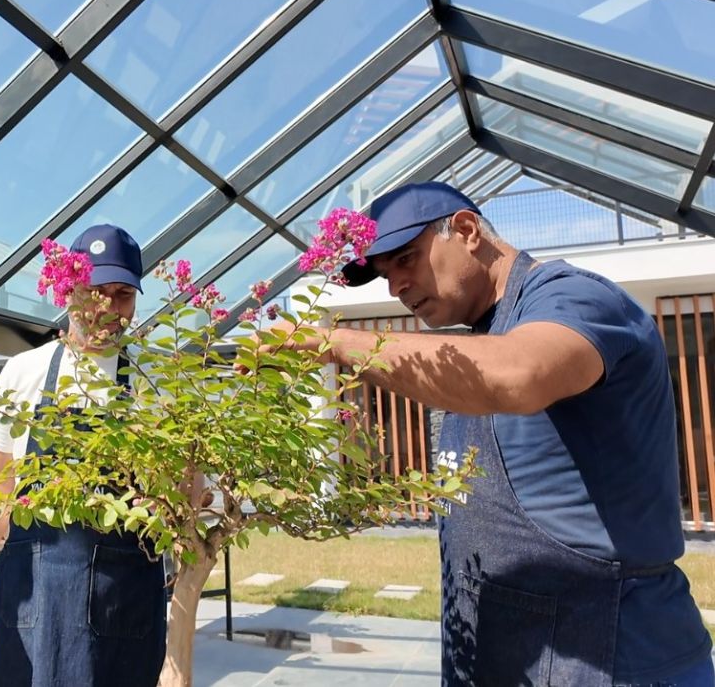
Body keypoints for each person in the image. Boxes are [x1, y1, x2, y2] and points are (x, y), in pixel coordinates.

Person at [270, 182, 712, 686]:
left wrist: (334, 341)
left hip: (611, 657)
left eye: (407, 260)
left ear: (465, 230)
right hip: (509, 656)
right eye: (386, 275)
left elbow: (517, 375)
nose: (395, 288)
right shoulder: (482, 335)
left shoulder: (575, 297)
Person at [0, 224, 167, 687]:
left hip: (123, 601)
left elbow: (181, 499)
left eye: (123, 294)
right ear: (69, 289)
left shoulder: (152, 380)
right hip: (33, 594)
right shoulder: (25, 371)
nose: (108, 308)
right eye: (95, 291)